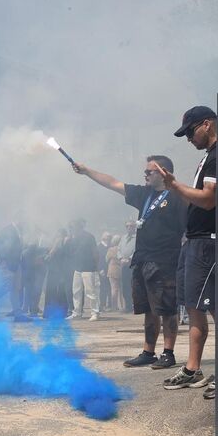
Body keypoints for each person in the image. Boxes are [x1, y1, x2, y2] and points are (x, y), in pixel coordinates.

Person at [73, 155, 185, 366]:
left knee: (167, 309)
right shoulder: (145, 194)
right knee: (148, 310)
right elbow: (113, 183)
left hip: (165, 261)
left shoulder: (178, 196)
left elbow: (187, 230)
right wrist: (87, 171)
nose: (145, 175)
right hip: (142, 261)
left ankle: (168, 353)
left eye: (149, 171)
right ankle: (148, 352)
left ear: (163, 172)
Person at [157, 106, 218, 395]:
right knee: (194, 307)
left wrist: (174, 186)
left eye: (191, 131)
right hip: (195, 242)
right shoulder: (209, 156)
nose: (188, 139)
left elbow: (208, 200)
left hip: (208, 242)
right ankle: (193, 368)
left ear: (207, 124)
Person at [64, 219, 100, 321]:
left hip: (89, 268)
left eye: (73, 227)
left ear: (79, 227)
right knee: (76, 291)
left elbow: (95, 252)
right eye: (70, 228)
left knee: (91, 291)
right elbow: (69, 253)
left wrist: (96, 267)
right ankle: (77, 312)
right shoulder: (72, 239)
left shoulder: (89, 237)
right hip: (77, 268)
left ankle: (95, 312)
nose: (71, 229)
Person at [0, 219, 28, 321]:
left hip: (16, 263)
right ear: (18, 218)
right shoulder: (8, 230)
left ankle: (17, 314)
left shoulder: (18, 231)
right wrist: (4, 259)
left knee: (15, 289)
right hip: (9, 263)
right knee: (6, 286)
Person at [42, 228, 72, 318]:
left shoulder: (64, 244)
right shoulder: (54, 245)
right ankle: (52, 312)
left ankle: (58, 312)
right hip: (55, 271)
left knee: (58, 292)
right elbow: (48, 258)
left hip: (60, 270)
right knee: (53, 291)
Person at [117, 221, 137, 312]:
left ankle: (135, 305)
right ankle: (128, 306)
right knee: (125, 286)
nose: (129, 228)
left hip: (133, 266)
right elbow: (119, 249)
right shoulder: (123, 238)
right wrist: (121, 258)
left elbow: (137, 249)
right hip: (124, 266)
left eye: (131, 226)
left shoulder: (138, 238)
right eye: (127, 226)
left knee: (134, 285)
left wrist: (129, 259)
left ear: (134, 227)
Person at [106, 235, 123, 311]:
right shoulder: (121, 249)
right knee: (121, 289)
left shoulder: (111, 249)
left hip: (112, 269)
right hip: (121, 268)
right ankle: (122, 306)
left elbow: (106, 259)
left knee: (113, 288)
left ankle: (114, 306)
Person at [97, 232, 112, 311]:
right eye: (107, 236)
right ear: (103, 237)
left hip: (110, 269)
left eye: (109, 236)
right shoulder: (99, 247)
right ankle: (102, 305)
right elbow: (97, 259)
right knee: (103, 288)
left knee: (110, 288)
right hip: (103, 270)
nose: (109, 237)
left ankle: (110, 305)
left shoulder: (110, 246)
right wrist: (100, 269)